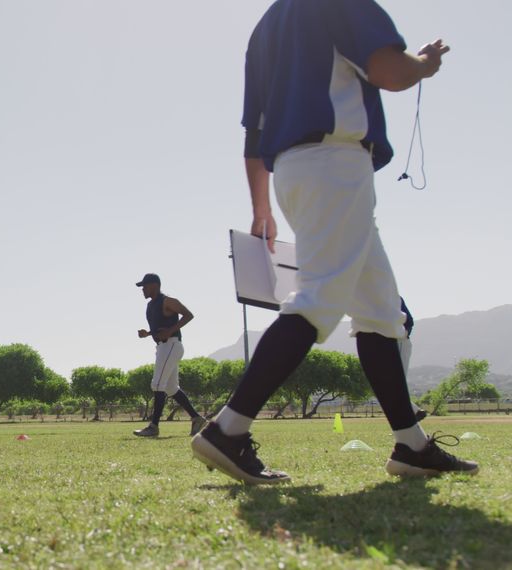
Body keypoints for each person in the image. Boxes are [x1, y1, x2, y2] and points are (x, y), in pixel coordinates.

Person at [192, 0, 477, 484]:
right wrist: (426, 63)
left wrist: (261, 207)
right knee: (319, 299)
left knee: (383, 314)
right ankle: (227, 428)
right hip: (335, 162)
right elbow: (389, 70)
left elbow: (254, 132)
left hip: (296, 173)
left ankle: (412, 446)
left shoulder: (265, 28)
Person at [132, 274, 206, 438]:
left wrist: (171, 331)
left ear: (154, 285)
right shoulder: (151, 305)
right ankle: (197, 418)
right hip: (163, 347)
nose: (142, 289)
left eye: (145, 286)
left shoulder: (168, 301)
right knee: (171, 388)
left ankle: (153, 426)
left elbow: (188, 314)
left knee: (157, 384)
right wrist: (148, 333)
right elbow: (162, 326)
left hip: (172, 345)